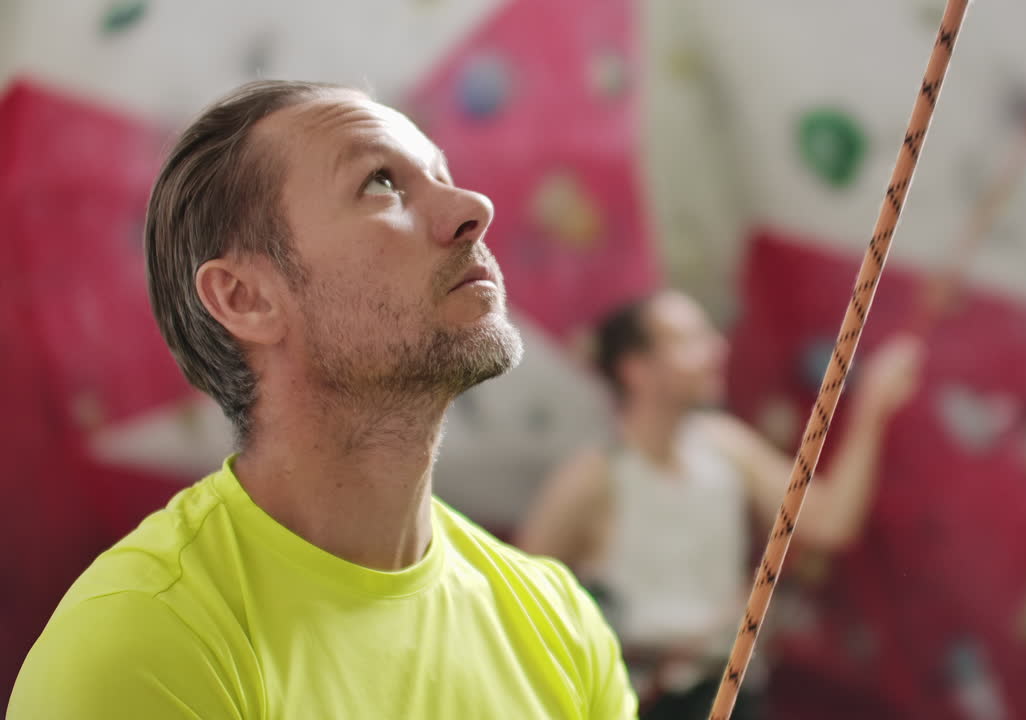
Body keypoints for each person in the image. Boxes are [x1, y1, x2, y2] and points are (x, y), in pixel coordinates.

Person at [8, 80, 635, 719]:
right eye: (381, 183)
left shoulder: (558, 623)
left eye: (444, 174)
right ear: (245, 298)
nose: (473, 206)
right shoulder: (141, 646)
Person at [517, 289, 923, 719]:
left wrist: (870, 410)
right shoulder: (594, 478)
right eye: (688, 340)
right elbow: (517, 605)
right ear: (636, 369)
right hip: (640, 698)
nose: (717, 349)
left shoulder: (724, 446)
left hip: (728, 694)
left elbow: (829, 522)